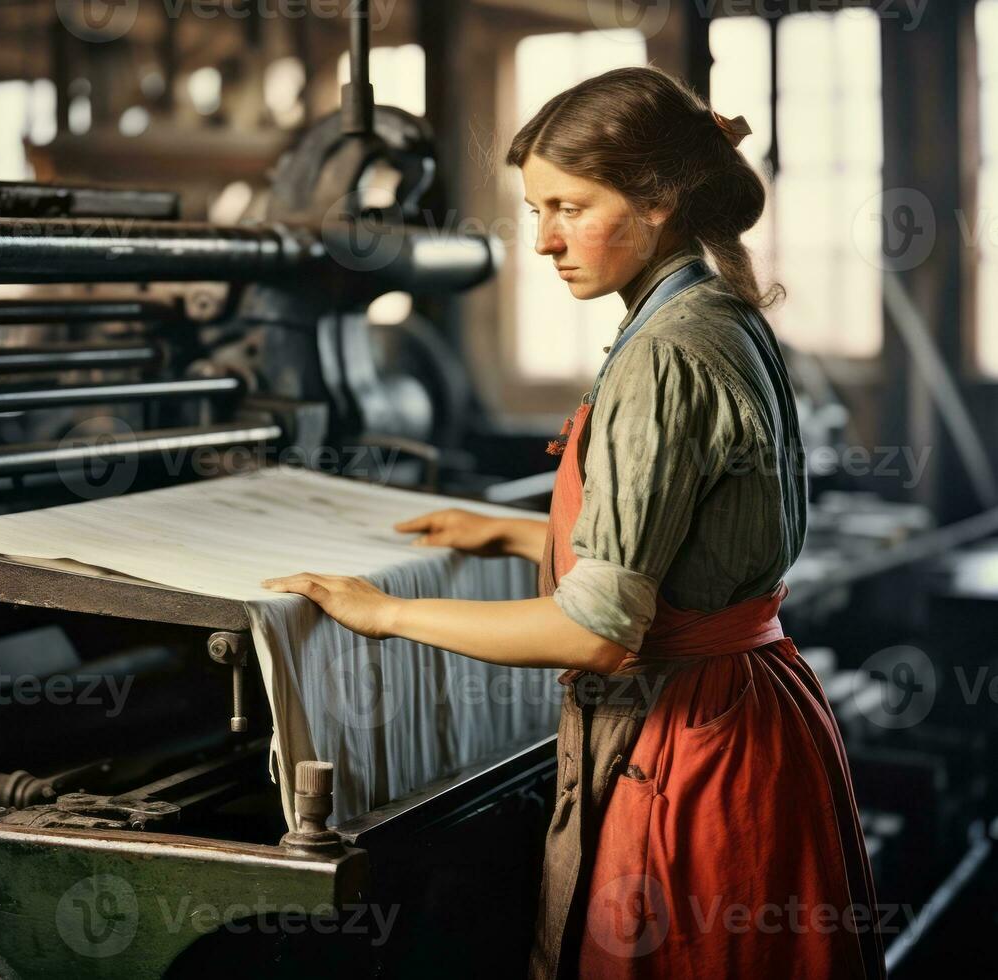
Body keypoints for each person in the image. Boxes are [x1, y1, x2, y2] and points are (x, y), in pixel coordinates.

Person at [262, 66, 884, 979]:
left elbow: (594, 634)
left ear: (661, 198)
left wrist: (381, 612)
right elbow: (690, 531)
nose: (546, 240)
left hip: (688, 746)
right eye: (534, 209)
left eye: (570, 205)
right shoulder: (715, 313)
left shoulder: (662, 356)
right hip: (752, 712)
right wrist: (515, 536)